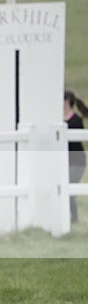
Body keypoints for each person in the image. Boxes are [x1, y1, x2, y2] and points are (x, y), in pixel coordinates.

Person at [64, 90, 87, 223]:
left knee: (70, 189)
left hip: (77, 161)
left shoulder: (76, 120)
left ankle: (74, 219)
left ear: (67, 101)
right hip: (65, 161)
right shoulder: (59, 121)